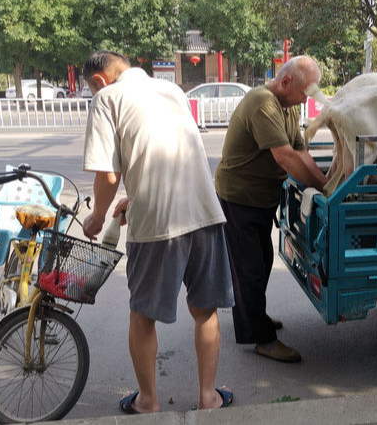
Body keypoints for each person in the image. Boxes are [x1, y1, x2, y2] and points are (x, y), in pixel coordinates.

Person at [81, 50, 235, 414]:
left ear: (99, 81)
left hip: (157, 224)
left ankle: (148, 402)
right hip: (205, 211)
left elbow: (106, 175)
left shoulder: (106, 98)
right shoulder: (173, 91)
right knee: (205, 310)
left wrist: (97, 216)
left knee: (142, 315)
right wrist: (132, 197)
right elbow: (161, 149)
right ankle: (208, 397)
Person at [215, 56, 329, 363]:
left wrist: (325, 181)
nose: (307, 100)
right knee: (250, 268)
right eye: (305, 92)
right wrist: (327, 190)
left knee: (260, 261)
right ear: (286, 82)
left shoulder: (287, 108)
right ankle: (263, 338)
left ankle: (253, 319)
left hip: (259, 199)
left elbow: (301, 152)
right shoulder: (262, 102)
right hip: (240, 198)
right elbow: (285, 159)